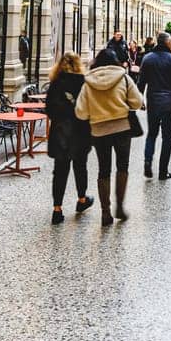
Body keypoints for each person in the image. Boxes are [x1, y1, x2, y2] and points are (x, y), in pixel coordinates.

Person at [74, 48, 142, 225]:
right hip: (122, 128)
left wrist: (96, 112)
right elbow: (137, 102)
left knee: (104, 170)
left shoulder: (88, 82)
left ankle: (105, 212)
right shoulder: (124, 77)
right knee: (122, 167)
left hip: (99, 131)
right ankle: (119, 206)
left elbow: (80, 112)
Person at [44, 52, 93, 224]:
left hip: (60, 132)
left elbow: (48, 108)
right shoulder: (84, 83)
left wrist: (60, 119)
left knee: (60, 171)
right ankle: (81, 199)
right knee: (80, 167)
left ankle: (57, 210)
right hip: (81, 131)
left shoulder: (55, 83)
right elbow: (89, 107)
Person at [138, 33, 171, 178]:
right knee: (167, 136)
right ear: (168, 43)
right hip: (169, 103)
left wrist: (140, 100)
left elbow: (141, 83)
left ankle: (147, 161)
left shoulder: (147, 58)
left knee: (151, 134)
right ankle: (163, 171)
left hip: (153, 101)